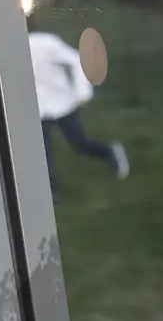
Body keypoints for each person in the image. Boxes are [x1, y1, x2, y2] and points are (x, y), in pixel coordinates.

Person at [28, 22, 128, 195]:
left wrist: (83, 92)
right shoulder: (7, 47)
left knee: (79, 143)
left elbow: (75, 60)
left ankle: (109, 151)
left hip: (61, 103)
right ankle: (52, 193)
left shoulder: (46, 43)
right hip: (36, 108)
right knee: (42, 153)